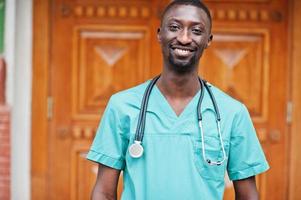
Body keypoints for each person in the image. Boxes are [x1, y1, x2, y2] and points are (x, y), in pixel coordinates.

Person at [86, 0, 269, 199]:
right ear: (160, 34)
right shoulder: (122, 106)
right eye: (174, 27)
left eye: (196, 31)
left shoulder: (232, 113)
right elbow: (103, 192)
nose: (183, 38)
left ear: (208, 40)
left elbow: (248, 195)